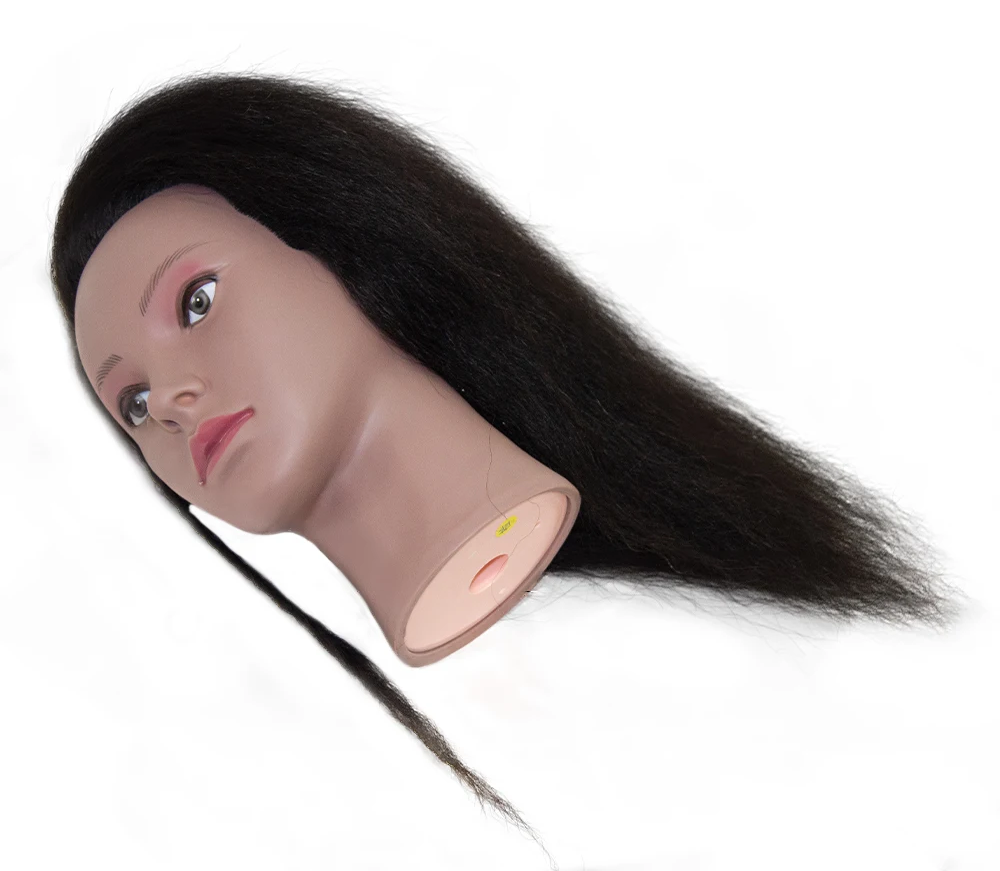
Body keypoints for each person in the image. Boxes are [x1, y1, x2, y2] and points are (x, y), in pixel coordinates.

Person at [50, 71, 962, 840]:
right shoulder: (271, 775)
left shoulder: (736, 685)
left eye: (197, 303)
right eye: (132, 403)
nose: (171, 402)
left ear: (337, 244)